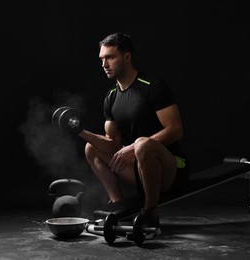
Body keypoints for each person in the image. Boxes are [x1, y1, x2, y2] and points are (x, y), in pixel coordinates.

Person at [78, 32, 188, 238]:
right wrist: (80, 132)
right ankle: (120, 208)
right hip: (138, 170)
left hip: (172, 169)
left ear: (127, 57)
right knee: (91, 147)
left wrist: (135, 147)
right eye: (102, 59)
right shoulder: (111, 97)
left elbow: (175, 130)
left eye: (110, 57)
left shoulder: (153, 86)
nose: (104, 64)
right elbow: (112, 144)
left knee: (142, 144)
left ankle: (150, 213)